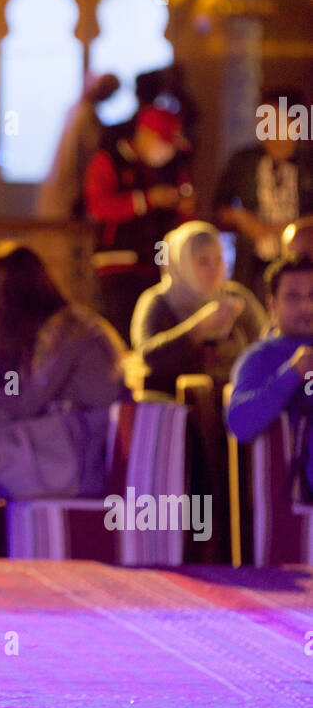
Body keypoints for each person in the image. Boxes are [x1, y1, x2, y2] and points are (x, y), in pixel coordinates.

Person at [0, 242, 128, 503]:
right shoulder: (53, 329)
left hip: (88, 452)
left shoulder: (67, 330)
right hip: (71, 438)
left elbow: (25, 405)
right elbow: (19, 397)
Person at [84, 101, 196, 342]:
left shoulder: (173, 167)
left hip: (161, 265)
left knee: (162, 333)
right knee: (123, 333)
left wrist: (184, 206)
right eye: (164, 142)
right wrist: (147, 199)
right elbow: (97, 206)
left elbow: (187, 206)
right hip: (118, 265)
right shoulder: (109, 161)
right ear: (145, 135)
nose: (168, 150)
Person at [131, 221, 266, 397]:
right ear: (182, 263)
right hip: (177, 410)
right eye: (203, 261)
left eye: (218, 259)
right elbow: (148, 355)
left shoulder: (235, 296)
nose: (215, 269)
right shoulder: (158, 302)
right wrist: (198, 327)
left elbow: (265, 340)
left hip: (235, 403)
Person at [214, 87, 313, 303]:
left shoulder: (308, 164)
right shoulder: (244, 161)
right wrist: (242, 218)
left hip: (302, 265)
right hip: (252, 266)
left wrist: (281, 229)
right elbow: (219, 208)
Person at [226, 254, 313, 496]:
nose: (306, 307)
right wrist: (293, 373)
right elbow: (240, 424)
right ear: (272, 305)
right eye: (293, 297)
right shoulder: (260, 358)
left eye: (312, 296)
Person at [36, 72, 120, 220]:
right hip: (69, 188)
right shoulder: (84, 114)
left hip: (67, 187)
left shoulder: (80, 111)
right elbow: (85, 153)